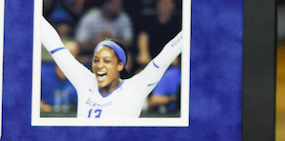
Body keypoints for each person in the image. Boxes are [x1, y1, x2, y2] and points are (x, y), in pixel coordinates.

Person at [40, 16, 184, 121]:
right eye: (96, 60)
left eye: (107, 61)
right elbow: (54, 45)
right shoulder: (85, 82)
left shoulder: (135, 87)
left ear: (120, 65)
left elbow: (167, 54)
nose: (99, 65)